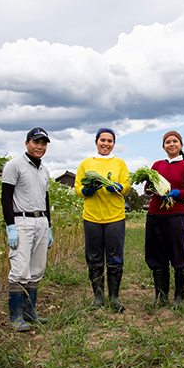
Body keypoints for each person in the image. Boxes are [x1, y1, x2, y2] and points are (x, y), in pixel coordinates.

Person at [2, 127, 54, 332]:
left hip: (41, 220)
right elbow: (6, 197)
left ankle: (29, 312)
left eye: (43, 143)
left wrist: (48, 228)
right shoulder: (14, 165)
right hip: (21, 220)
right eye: (36, 142)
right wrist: (10, 226)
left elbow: (45, 200)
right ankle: (15, 316)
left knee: (37, 268)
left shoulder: (45, 170)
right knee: (20, 268)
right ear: (27, 143)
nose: (40, 147)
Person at [74, 128, 131, 312]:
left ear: (114, 144)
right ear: (96, 142)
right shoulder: (86, 164)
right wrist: (87, 190)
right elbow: (78, 188)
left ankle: (114, 298)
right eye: (102, 140)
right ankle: (98, 298)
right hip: (92, 217)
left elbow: (127, 186)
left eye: (110, 141)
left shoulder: (119, 163)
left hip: (115, 216)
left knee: (115, 257)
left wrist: (119, 187)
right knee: (94, 257)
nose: (106, 144)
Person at [143, 131, 184, 309]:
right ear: (163, 147)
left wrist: (178, 193)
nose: (171, 144)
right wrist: (149, 185)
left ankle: (179, 298)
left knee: (178, 254)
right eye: (168, 142)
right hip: (154, 215)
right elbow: (147, 190)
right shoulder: (157, 165)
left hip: (175, 215)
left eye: (175, 141)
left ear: (181, 145)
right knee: (156, 255)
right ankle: (161, 296)